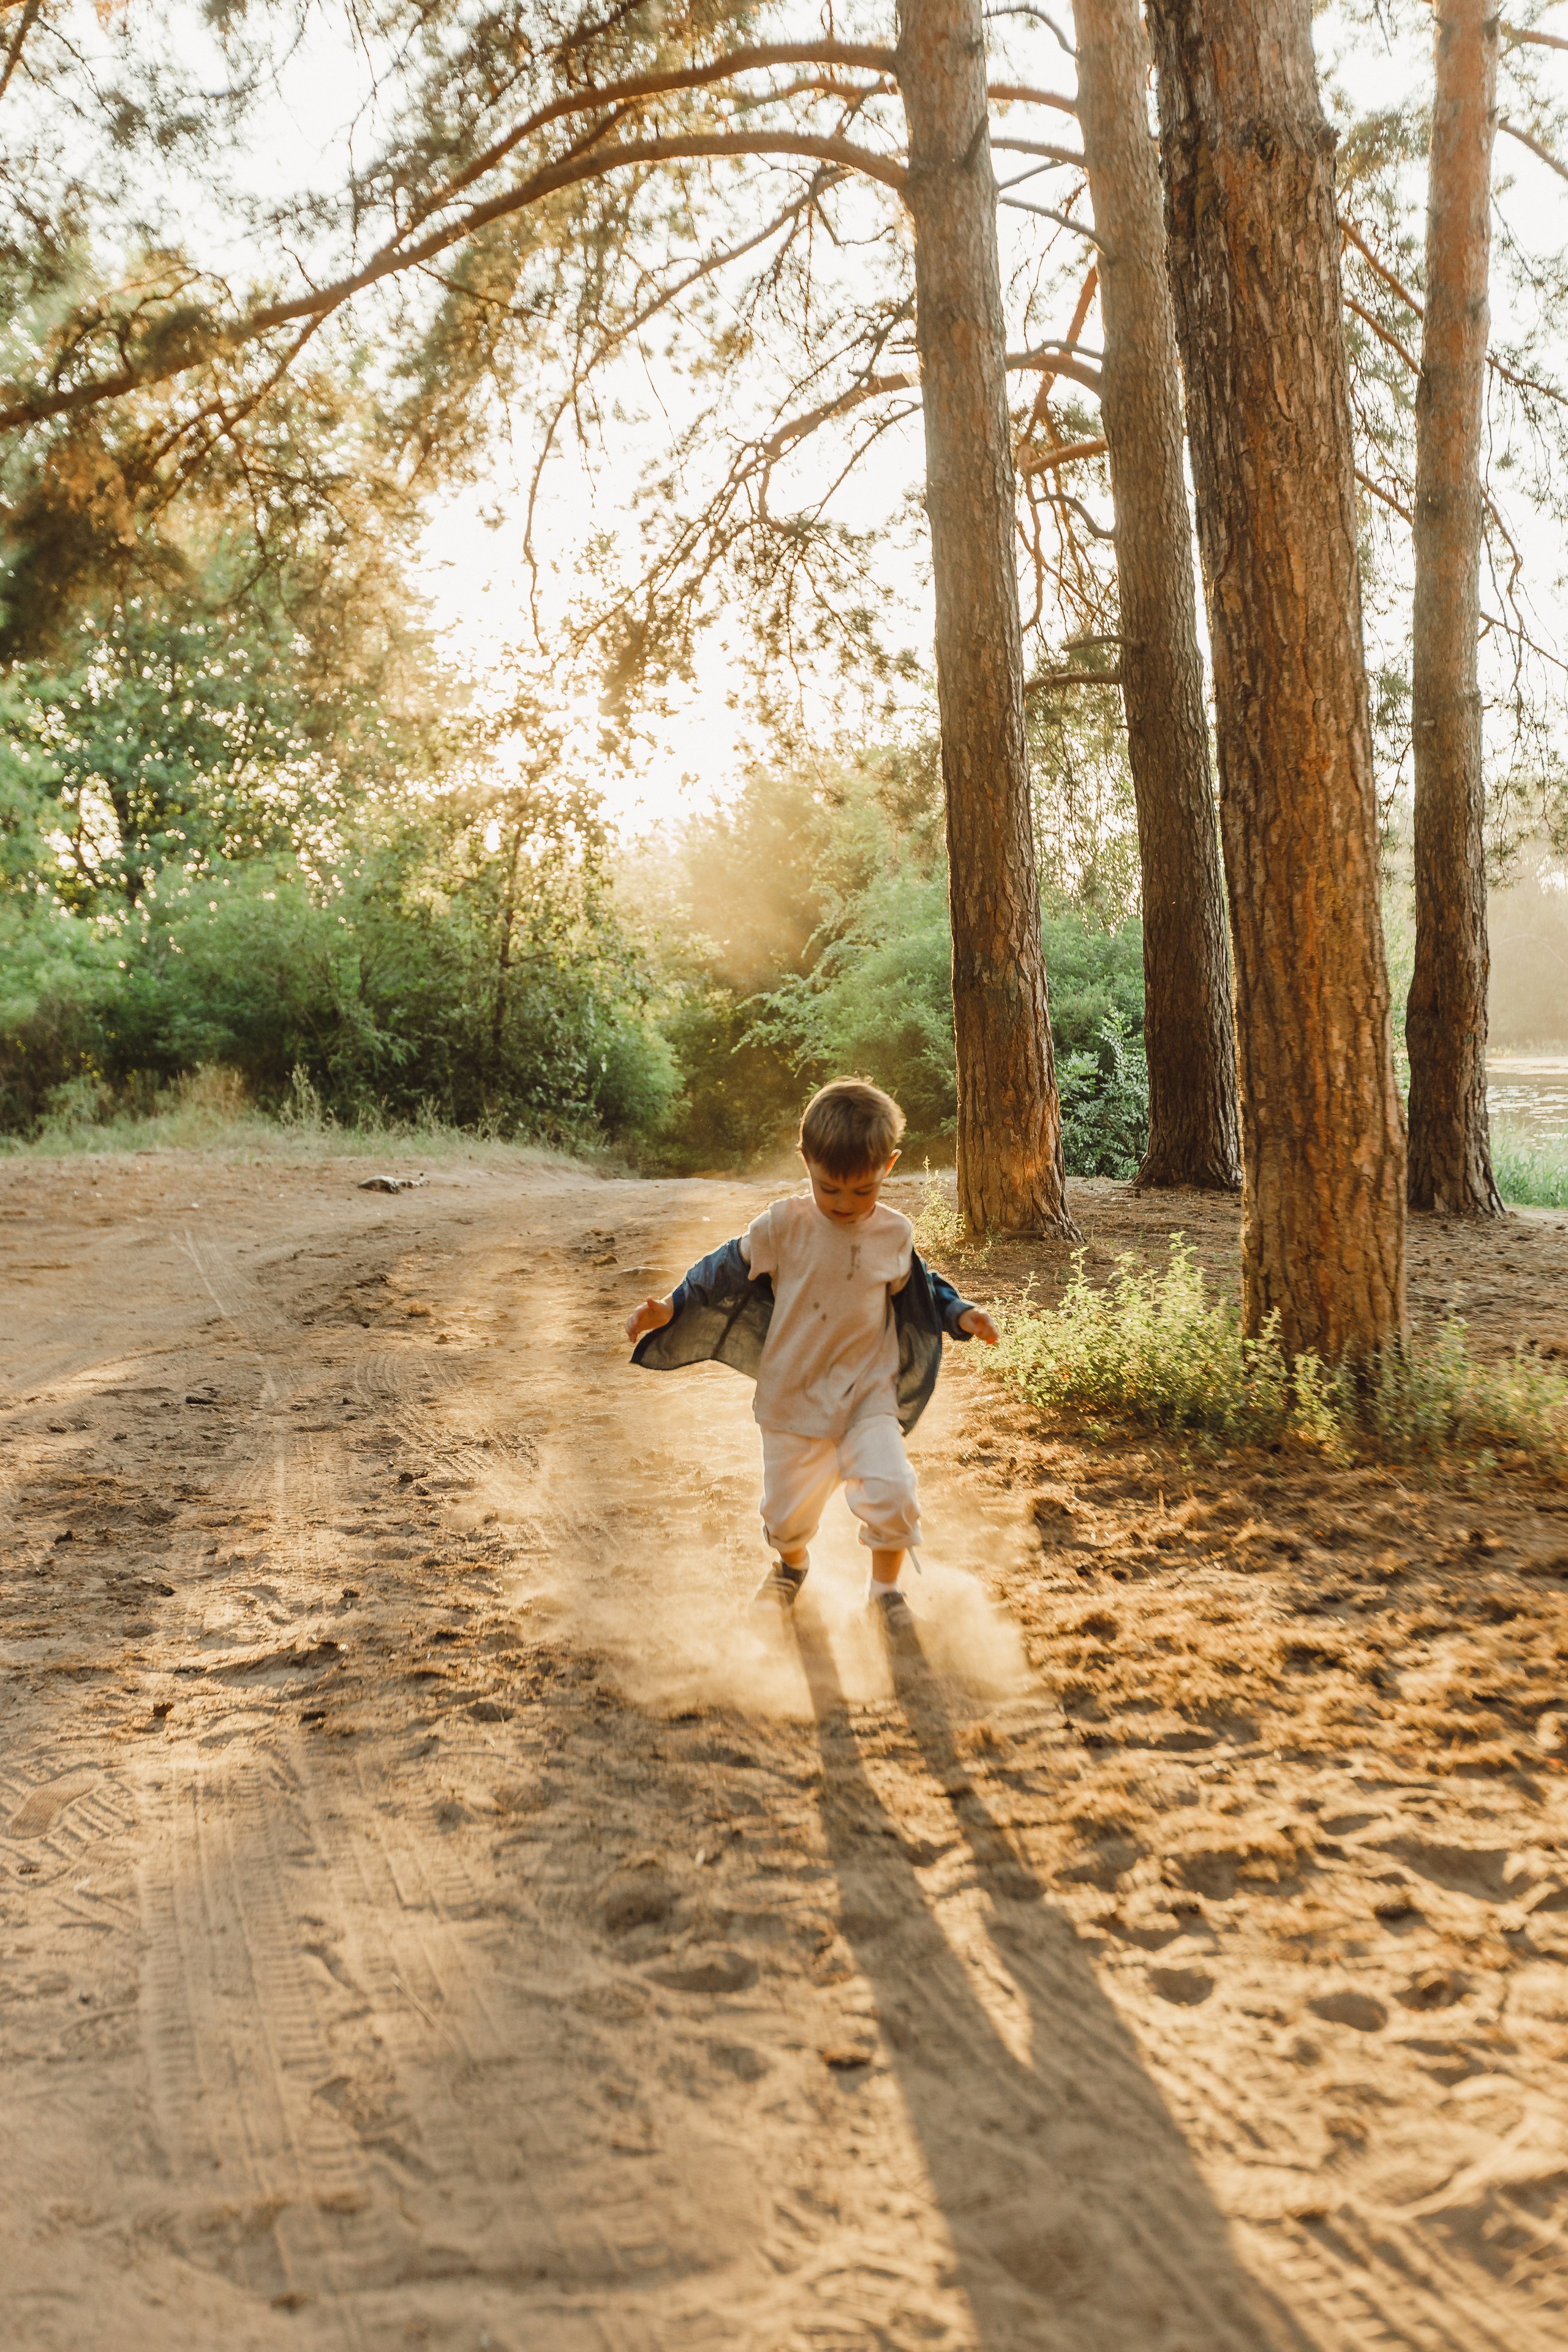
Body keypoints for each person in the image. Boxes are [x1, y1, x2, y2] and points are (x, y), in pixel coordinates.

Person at [623, 1076, 999, 1632]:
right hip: (793, 1398)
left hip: (868, 1394)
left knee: (893, 1492)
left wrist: (960, 1314)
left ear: (888, 1167)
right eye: (830, 1189)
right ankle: (792, 1566)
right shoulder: (783, 1225)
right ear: (806, 1161)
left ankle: (886, 1593)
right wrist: (673, 1307)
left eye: (863, 1191)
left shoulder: (894, 1233)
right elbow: (721, 1270)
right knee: (787, 1517)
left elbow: (922, 1285)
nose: (846, 1205)